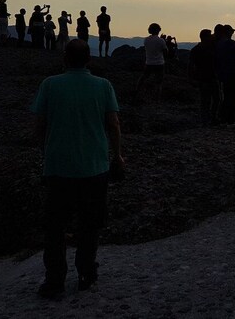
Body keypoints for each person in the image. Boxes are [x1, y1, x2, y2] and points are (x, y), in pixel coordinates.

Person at [31, 39, 123, 298]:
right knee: (90, 224)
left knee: (54, 227)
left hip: (58, 166)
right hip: (94, 166)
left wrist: (45, 151)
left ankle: (54, 281)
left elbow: (39, 125)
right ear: (89, 60)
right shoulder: (103, 85)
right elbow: (113, 124)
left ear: (64, 59)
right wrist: (117, 156)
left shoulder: (49, 85)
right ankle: (86, 273)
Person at [188, 29, 220, 125]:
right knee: (210, 99)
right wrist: (190, 78)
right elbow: (190, 65)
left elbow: (190, 65)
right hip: (206, 78)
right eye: (210, 36)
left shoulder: (198, 49)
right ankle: (208, 119)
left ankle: (208, 119)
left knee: (212, 99)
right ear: (205, 37)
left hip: (208, 77)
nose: (212, 37)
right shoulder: (199, 50)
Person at [135, 23, 167, 102]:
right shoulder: (161, 41)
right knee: (159, 82)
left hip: (149, 63)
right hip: (159, 63)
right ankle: (157, 99)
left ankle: (137, 92)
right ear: (158, 30)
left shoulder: (146, 40)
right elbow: (165, 51)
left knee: (143, 78)